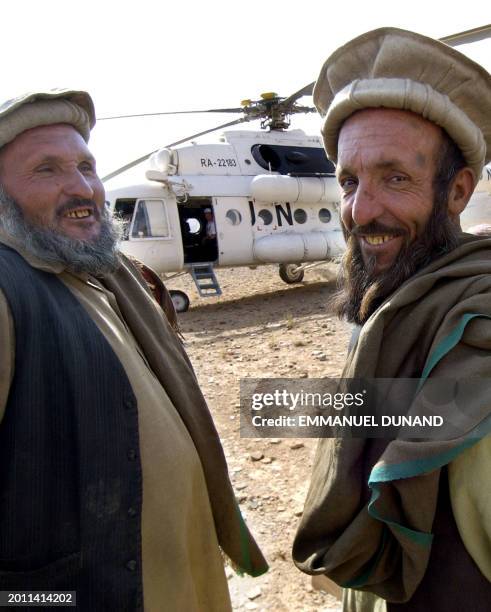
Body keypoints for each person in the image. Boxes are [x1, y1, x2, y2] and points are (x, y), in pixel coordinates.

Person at [0, 89, 267, 610]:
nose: (82, 189)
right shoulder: (9, 289)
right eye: (46, 170)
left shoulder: (102, 278)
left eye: (85, 166)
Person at [292, 28, 491, 611]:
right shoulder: (394, 308)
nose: (361, 211)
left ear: (457, 191)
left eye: (395, 177)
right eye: (350, 181)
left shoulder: (475, 330)